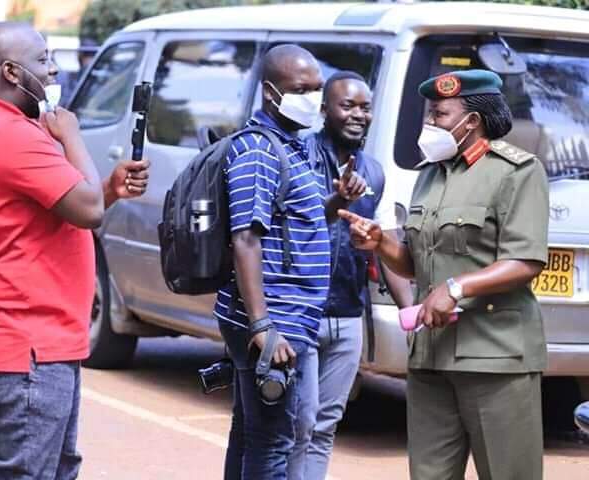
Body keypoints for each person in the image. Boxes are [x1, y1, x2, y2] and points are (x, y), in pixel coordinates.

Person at [0, 22, 149, 479]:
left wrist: (109, 189)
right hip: (26, 345)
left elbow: (64, 206)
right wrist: (72, 135)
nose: (55, 68)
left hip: (38, 343)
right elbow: (88, 210)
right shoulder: (15, 136)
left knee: (55, 469)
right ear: (12, 72)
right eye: (42, 60)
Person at [340, 69, 549, 480]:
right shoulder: (430, 175)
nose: (429, 124)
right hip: (432, 356)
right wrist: (380, 243)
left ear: (471, 121)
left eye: (439, 114)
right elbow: (417, 262)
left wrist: (456, 288)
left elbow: (525, 261)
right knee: (430, 474)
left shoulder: (516, 172)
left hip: (495, 356)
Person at [213, 45, 365, 480]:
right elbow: (245, 237)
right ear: (270, 92)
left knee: (254, 432)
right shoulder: (259, 150)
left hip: (289, 317)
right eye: (302, 89)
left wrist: (337, 201)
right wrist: (262, 325)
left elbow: (296, 219)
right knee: (274, 441)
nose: (313, 98)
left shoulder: (291, 145)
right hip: (273, 320)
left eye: (317, 89)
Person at [288, 71, 412, 480]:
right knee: (298, 421)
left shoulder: (374, 172)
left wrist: (410, 312)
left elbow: (387, 243)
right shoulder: (299, 156)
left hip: (347, 315)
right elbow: (290, 229)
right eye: (347, 106)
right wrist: (338, 197)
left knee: (325, 424)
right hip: (299, 313)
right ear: (324, 110)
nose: (359, 114)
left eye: (365, 107)